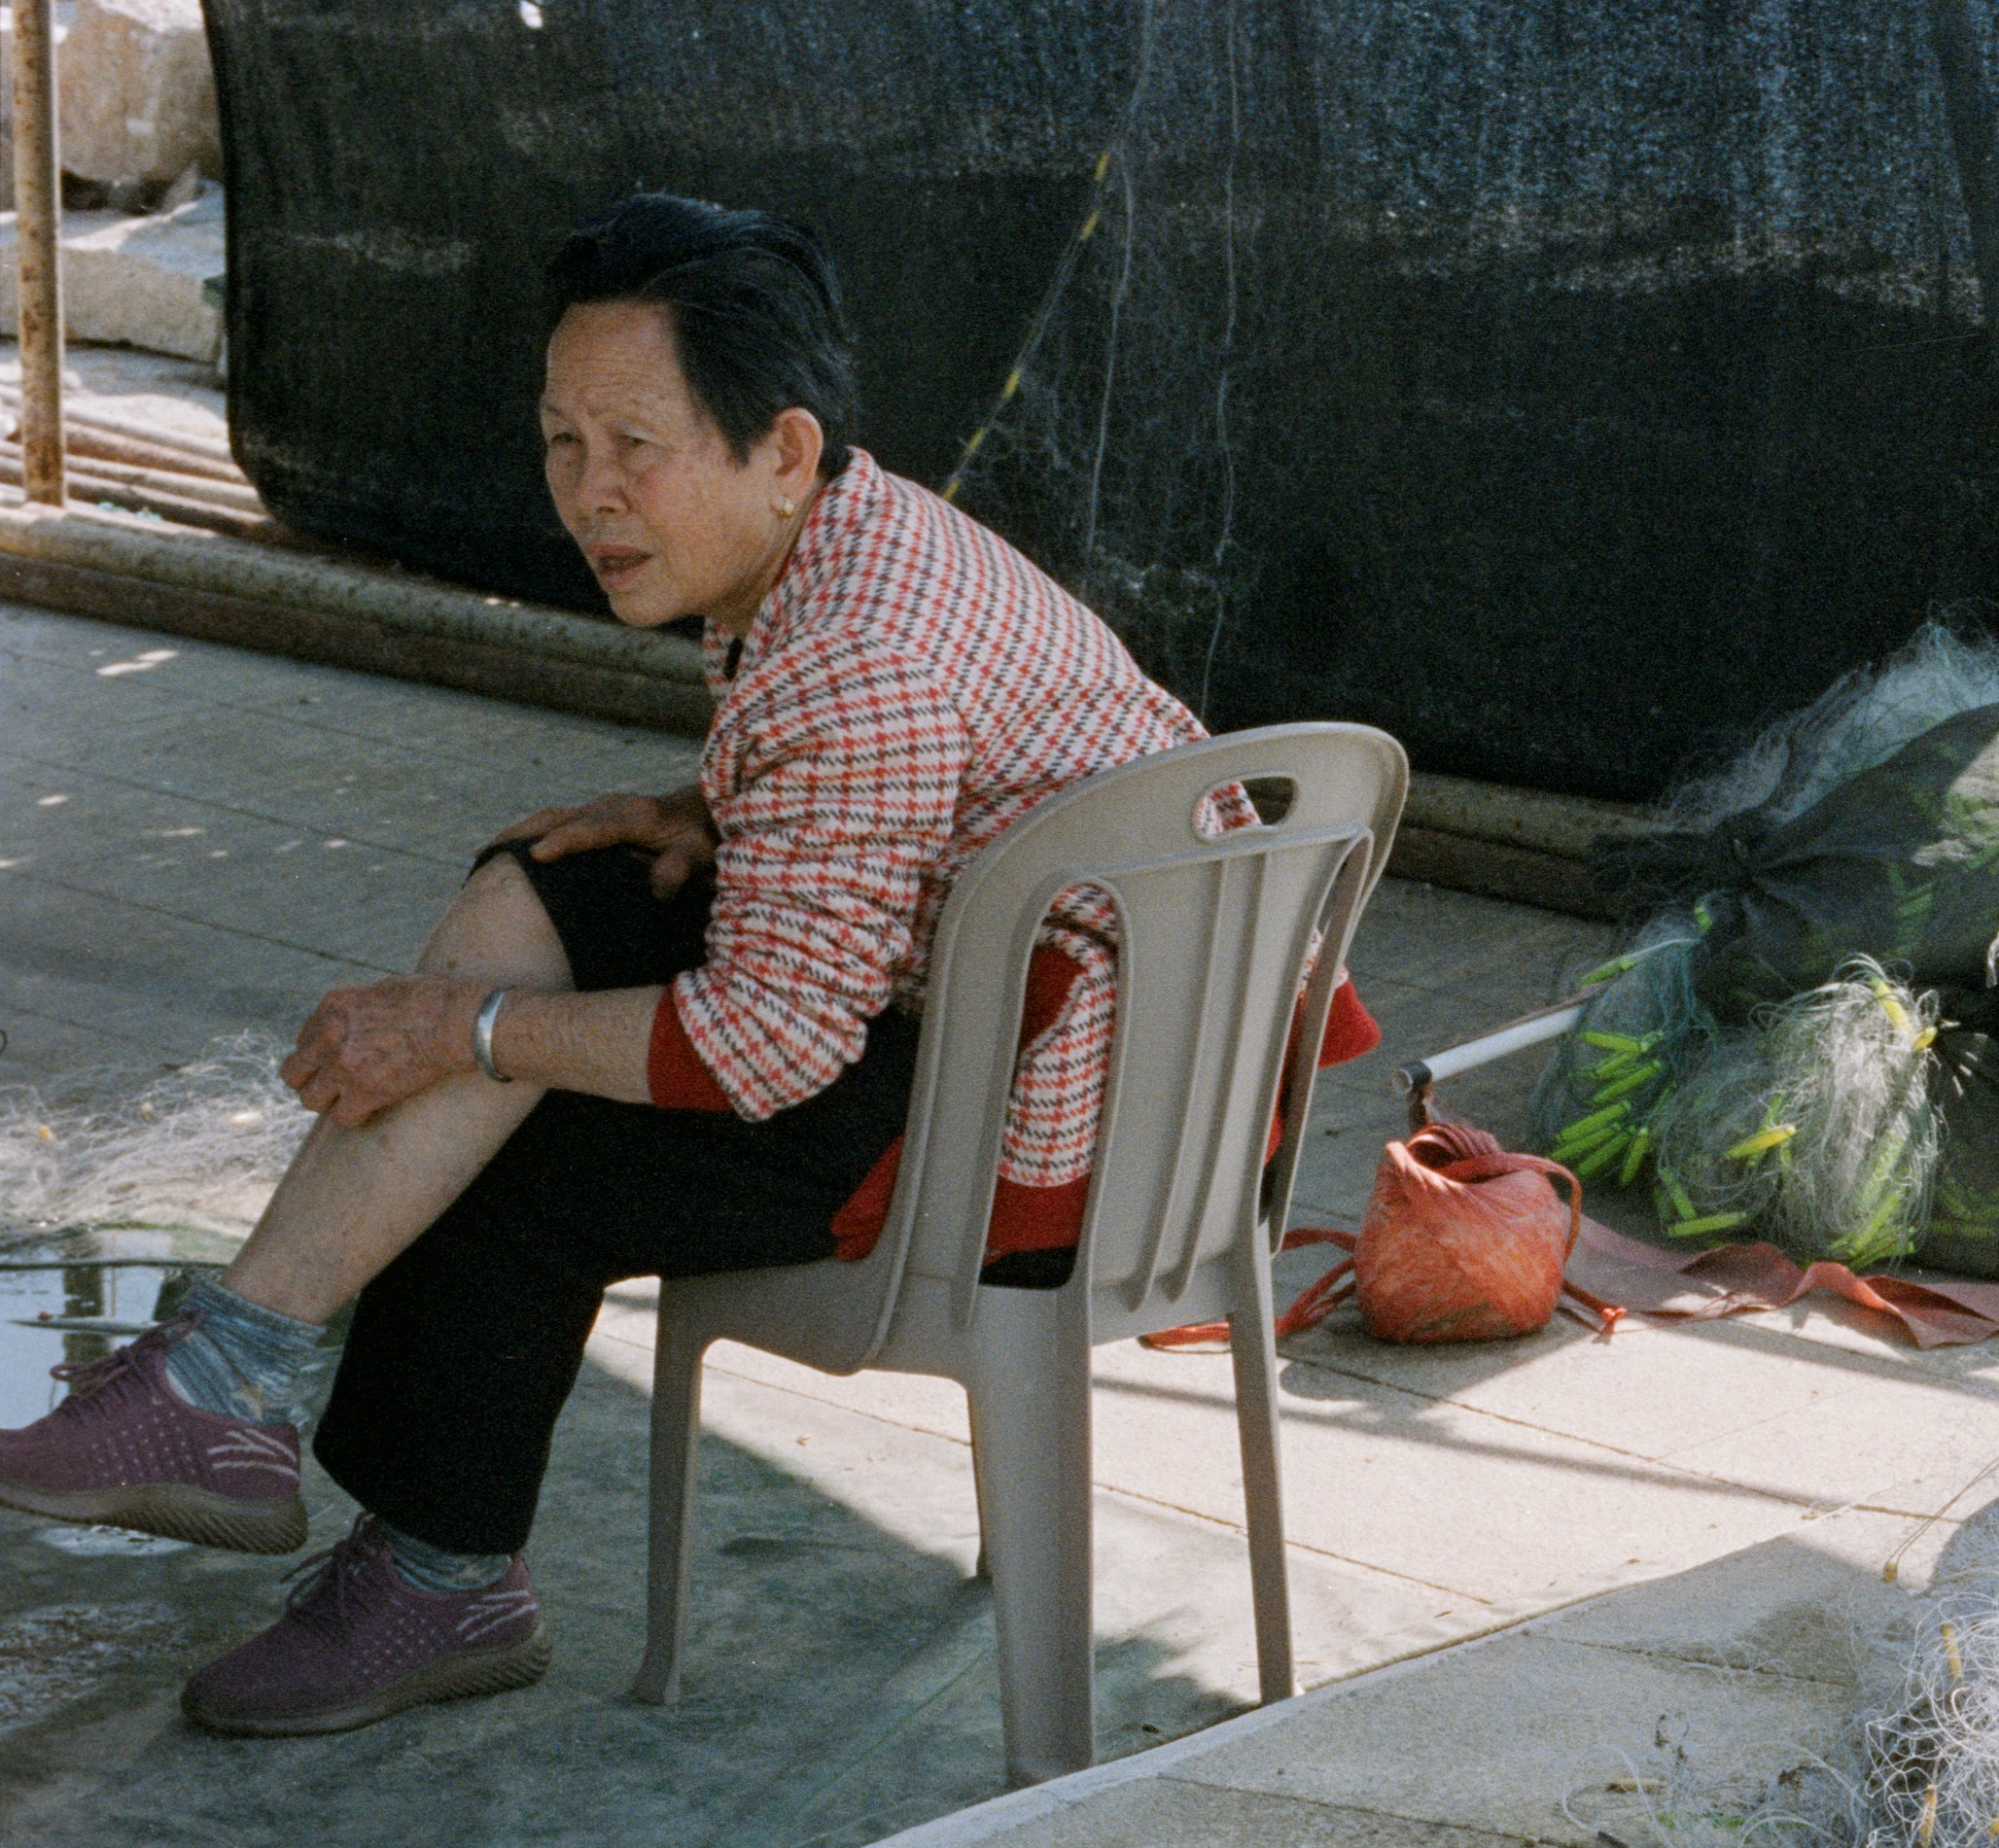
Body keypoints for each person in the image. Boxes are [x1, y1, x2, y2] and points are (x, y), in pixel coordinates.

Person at [0, 192, 1371, 1735]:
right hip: (1080, 1031)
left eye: (633, 445)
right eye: (562, 440)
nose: (590, 494)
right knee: (553, 881)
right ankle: (228, 1371)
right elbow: (899, 811)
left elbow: (767, 1049)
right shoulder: (854, 532)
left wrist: (477, 1032)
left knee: (521, 1146)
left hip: (1052, 1139)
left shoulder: (854, 662)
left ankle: (441, 1575)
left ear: (779, 450)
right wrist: (698, 814)